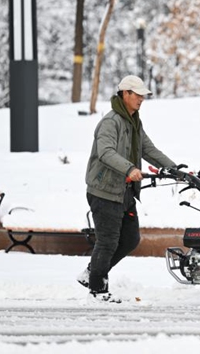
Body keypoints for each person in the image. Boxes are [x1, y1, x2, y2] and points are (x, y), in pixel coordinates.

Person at [78, 75, 178, 303]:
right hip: (104, 191)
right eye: (138, 94)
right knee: (108, 241)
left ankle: (91, 273)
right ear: (125, 94)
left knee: (130, 239)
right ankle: (97, 290)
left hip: (124, 192)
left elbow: (148, 149)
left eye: (143, 95)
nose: (142, 98)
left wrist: (174, 169)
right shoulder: (110, 122)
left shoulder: (134, 122)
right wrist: (129, 169)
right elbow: (105, 152)